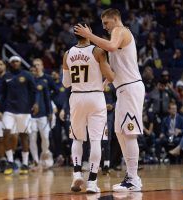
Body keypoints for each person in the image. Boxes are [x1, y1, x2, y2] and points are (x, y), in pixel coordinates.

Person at [74, 8, 145, 191]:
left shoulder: (120, 31)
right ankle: (131, 176)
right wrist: (104, 82)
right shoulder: (116, 35)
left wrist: (89, 35)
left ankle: (133, 178)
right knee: (120, 133)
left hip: (130, 87)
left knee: (129, 133)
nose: (104, 27)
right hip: (123, 89)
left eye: (106, 23)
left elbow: (111, 46)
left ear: (115, 19)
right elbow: (114, 69)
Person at [63, 22, 115, 193]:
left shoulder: (67, 54)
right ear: (88, 32)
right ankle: (92, 182)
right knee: (95, 140)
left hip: (76, 97)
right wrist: (109, 77)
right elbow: (110, 76)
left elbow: (65, 83)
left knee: (77, 139)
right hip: (95, 96)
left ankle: (77, 173)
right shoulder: (97, 51)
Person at [0, 56, 37, 175]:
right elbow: (3, 93)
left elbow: (34, 91)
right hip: (9, 110)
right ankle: (10, 161)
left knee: (24, 136)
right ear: (10, 63)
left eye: (17, 61)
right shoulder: (6, 76)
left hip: (24, 111)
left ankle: (25, 163)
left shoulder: (27, 75)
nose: (15, 63)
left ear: (20, 63)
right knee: (6, 132)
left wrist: (35, 103)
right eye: (12, 61)